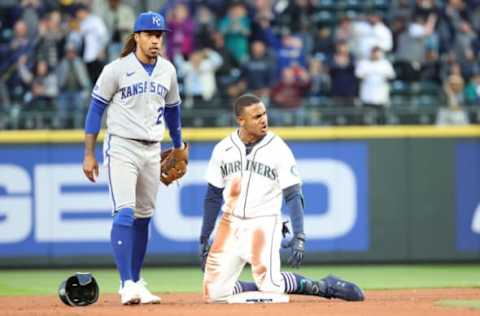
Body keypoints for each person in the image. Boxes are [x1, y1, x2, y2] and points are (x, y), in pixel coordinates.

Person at [199, 94, 365, 303]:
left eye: (264, 114)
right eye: (256, 116)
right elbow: (213, 195)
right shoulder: (223, 149)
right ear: (241, 120)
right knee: (213, 295)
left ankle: (323, 286)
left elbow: (293, 194)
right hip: (230, 223)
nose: (263, 120)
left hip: (264, 222)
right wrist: (204, 237)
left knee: (272, 287)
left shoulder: (278, 148)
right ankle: (252, 286)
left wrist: (300, 234)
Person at [82, 11, 185, 305]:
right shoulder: (116, 69)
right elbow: (95, 111)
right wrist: (89, 153)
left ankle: (137, 281)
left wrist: (177, 146)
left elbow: (173, 111)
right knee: (125, 213)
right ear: (136, 36)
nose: (155, 40)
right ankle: (126, 283)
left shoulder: (168, 70)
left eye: (159, 35)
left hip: (153, 148)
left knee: (144, 218)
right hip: (122, 146)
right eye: (150, 34)